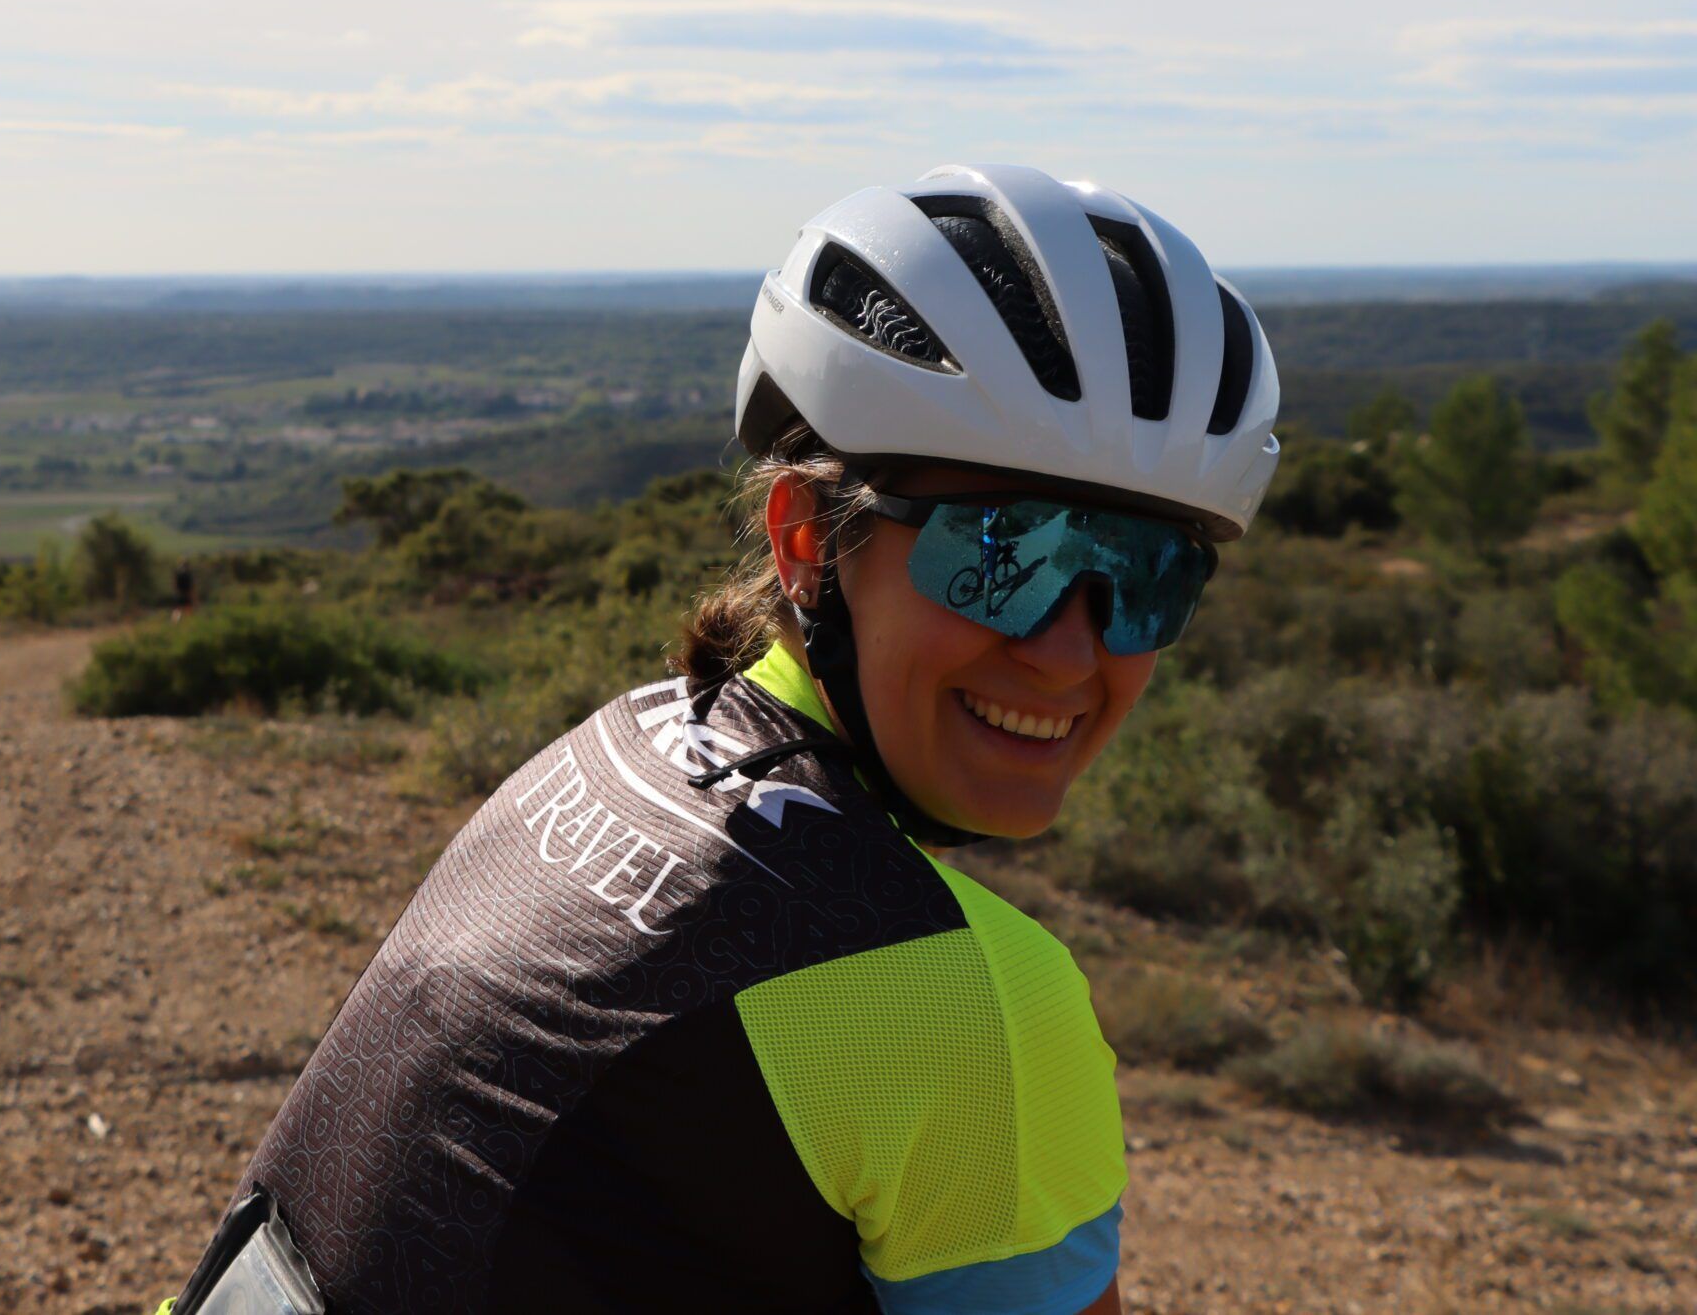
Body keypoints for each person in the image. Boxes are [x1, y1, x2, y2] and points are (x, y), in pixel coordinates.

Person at [163, 164, 1281, 1315]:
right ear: (805, 539)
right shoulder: (972, 1001)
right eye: (998, 555)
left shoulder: (611, 751)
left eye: (1146, 578)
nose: (1069, 654)